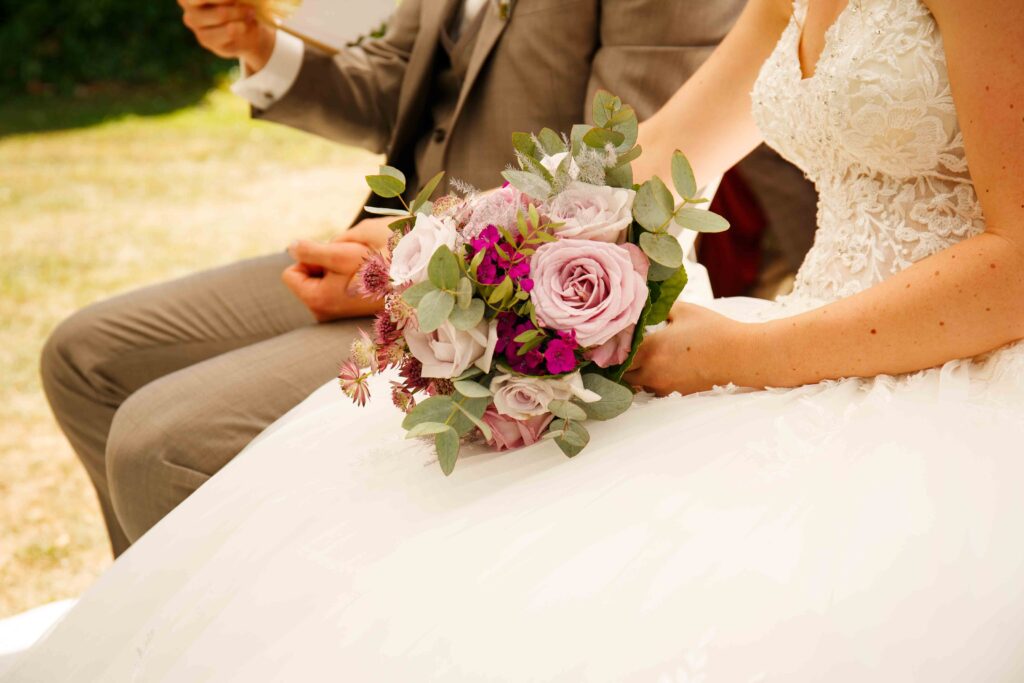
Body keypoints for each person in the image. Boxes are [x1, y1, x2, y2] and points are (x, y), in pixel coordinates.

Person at [12, 0, 1023, 678]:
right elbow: (659, 155)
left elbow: (1016, 258)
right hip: (789, 347)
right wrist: (441, 256)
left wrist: (734, 355)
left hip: (951, 374)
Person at [39, 0, 815, 556]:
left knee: (158, 442)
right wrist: (262, 46)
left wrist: (425, 244)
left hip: (511, 302)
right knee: (84, 355)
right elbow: (394, 85)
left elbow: (621, 178)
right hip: (387, 255)